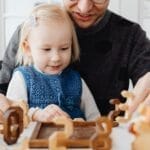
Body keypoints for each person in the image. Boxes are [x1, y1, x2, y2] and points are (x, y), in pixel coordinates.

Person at [0, 0, 150, 116]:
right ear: (27, 48)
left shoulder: (130, 35)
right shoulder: (32, 28)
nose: (84, 8)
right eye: (46, 49)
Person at [0, 3, 100, 122]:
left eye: (64, 48)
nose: (56, 58)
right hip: (34, 139)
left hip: (75, 138)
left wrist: (83, 125)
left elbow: (95, 117)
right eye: (46, 49)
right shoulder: (22, 78)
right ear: (27, 49)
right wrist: (36, 115)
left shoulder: (76, 80)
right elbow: (13, 113)